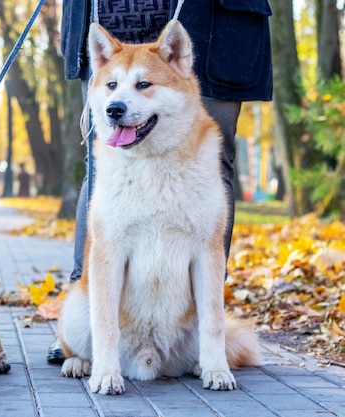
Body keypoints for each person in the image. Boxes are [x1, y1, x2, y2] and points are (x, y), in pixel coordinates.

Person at [47, 0, 273, 364]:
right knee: (104, 163)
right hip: (111, 12)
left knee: (215, 158)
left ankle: (200, 326)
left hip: (213, 20)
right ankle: (94, 318)